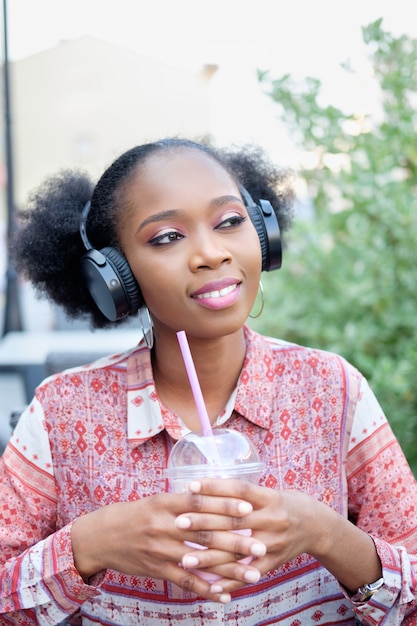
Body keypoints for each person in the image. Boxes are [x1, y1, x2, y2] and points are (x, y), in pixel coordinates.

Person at [0, 137, 416, 626]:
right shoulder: (61, 411)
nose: (210, 253)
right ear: (114, 275)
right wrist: (92, 543)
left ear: (264, 234)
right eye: (166, 237)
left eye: (230, 222)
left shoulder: (332, 388)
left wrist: (325, 534)